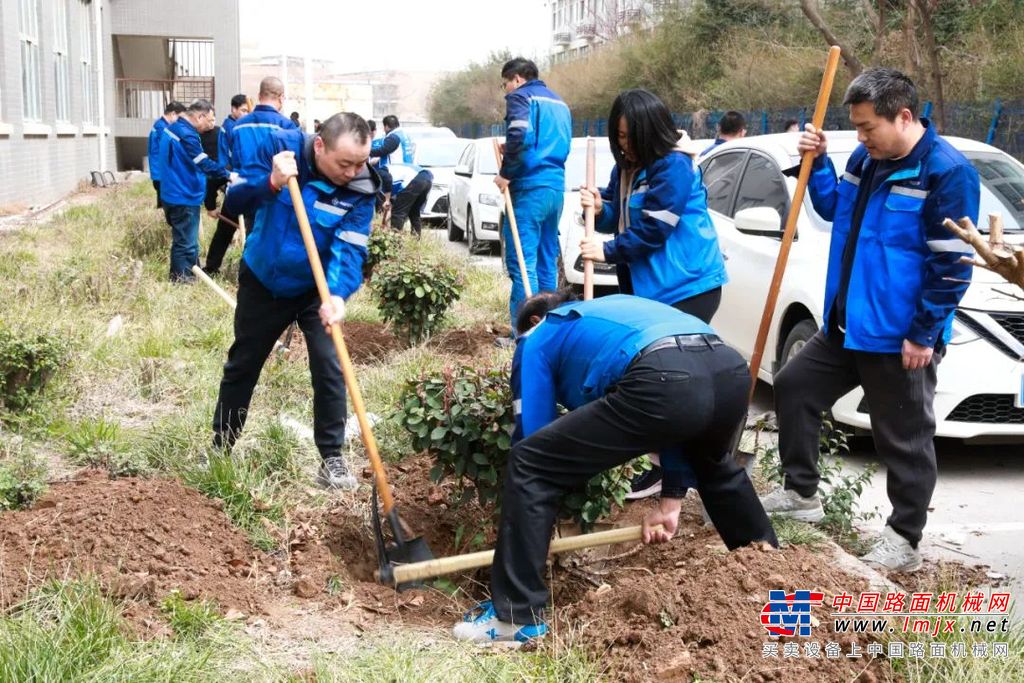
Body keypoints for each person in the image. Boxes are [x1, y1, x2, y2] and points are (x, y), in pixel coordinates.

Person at [452, 292, 778, 644]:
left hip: (666, 377)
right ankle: (776, 582)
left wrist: (534, 517)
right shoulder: (610, 312)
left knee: (531, 463)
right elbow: (681, 411)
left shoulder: (539, 336)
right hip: (728, 371)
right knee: (715, 469)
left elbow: (534, 436)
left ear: (533, 322)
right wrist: (670, 502)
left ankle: (515, 618)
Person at [760, 67, 980, 572]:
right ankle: (801, 495)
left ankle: (903, 539)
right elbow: (833, 207)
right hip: (847, 322)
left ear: (904, 116)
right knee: (794, 386)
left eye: (867, 128)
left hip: (900, 334)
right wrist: (814, 164)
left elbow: (952, 264)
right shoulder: (868, 158)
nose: (859, 139)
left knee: (902, 438)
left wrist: (924, 332)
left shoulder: (946, 173)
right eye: (855, 128)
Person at [211, 112, 379, 489]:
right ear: (320, 145)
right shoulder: (279, 152)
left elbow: (350, 251)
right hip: (263, 279)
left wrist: (337, 294)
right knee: (244, 362)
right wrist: (270, 182)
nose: (352, 172)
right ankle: (221, 446)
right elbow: (234, 201)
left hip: (313, 288)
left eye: (359, 163)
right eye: (344, 163)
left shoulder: (361, 190)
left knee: (329, 362)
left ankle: (332, 459)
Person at [578, 89, 729, 498]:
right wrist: (598, 209)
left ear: (650, 131)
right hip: (649, 290)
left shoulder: (673, 167)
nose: (623, 145)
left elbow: (654, 229)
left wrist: (606, 251)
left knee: (668, 381)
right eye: (618, 136)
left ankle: (677, 469)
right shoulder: (627, 167)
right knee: (653, 380)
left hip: (686, 286)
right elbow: (619, 216)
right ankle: (665, 463)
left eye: (629, 137)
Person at [495, 57, 572, 325]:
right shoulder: (559, 102)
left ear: (517, 79)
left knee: (523, 264)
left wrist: (506, 174)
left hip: (529, 188)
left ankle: (523, 332)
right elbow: (545, 140)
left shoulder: (520, 97)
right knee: (546, 260)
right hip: (555, 188)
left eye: (505, 84)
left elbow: (518, 135)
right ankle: (549, 326)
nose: (506, 89)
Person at [218, 77, 298, 263]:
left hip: (246, 187)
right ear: (281, 98)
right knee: (270, 236)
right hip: (276, 190)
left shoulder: (239, 125)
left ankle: (241, 271)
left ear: (259, 96)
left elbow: (234, 159)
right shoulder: (286, 126)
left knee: (249, 231)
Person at [157, 99, 230, 283]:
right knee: (186, 244)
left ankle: (188, 276)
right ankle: (182, 282)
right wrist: (228, 175)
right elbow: (203, 163)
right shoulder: (186, 135)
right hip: (183, 195)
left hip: (173, 192)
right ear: (200, 116)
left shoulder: (173, 129)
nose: (211, 125)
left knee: (183, 240)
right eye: (210, 120)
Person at [202, 94, 251, 275]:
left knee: (230, 230)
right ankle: (213, 267)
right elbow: (227, 161)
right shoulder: (231, 128)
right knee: (228, 230)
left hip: (236, 182)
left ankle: (213, 267)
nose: (246, 114)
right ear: (234, 109)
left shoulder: (235, 127)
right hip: (233, 180)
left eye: (248, 110)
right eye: (243, 110)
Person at [148, 101, 186, 208]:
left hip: (161, 171)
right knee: (166, 204)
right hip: (162, 172)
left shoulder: (160, 125)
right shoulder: (162, 127)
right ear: (173, 114)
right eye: (180, 118)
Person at [386, 163, 432, 235]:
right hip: (427, 177)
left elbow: (387, 206)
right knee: (414, 211)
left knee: (398, 212)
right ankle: (416, 240)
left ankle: (394, 240)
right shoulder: (387, 169)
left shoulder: (381, 174)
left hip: (415, 179)